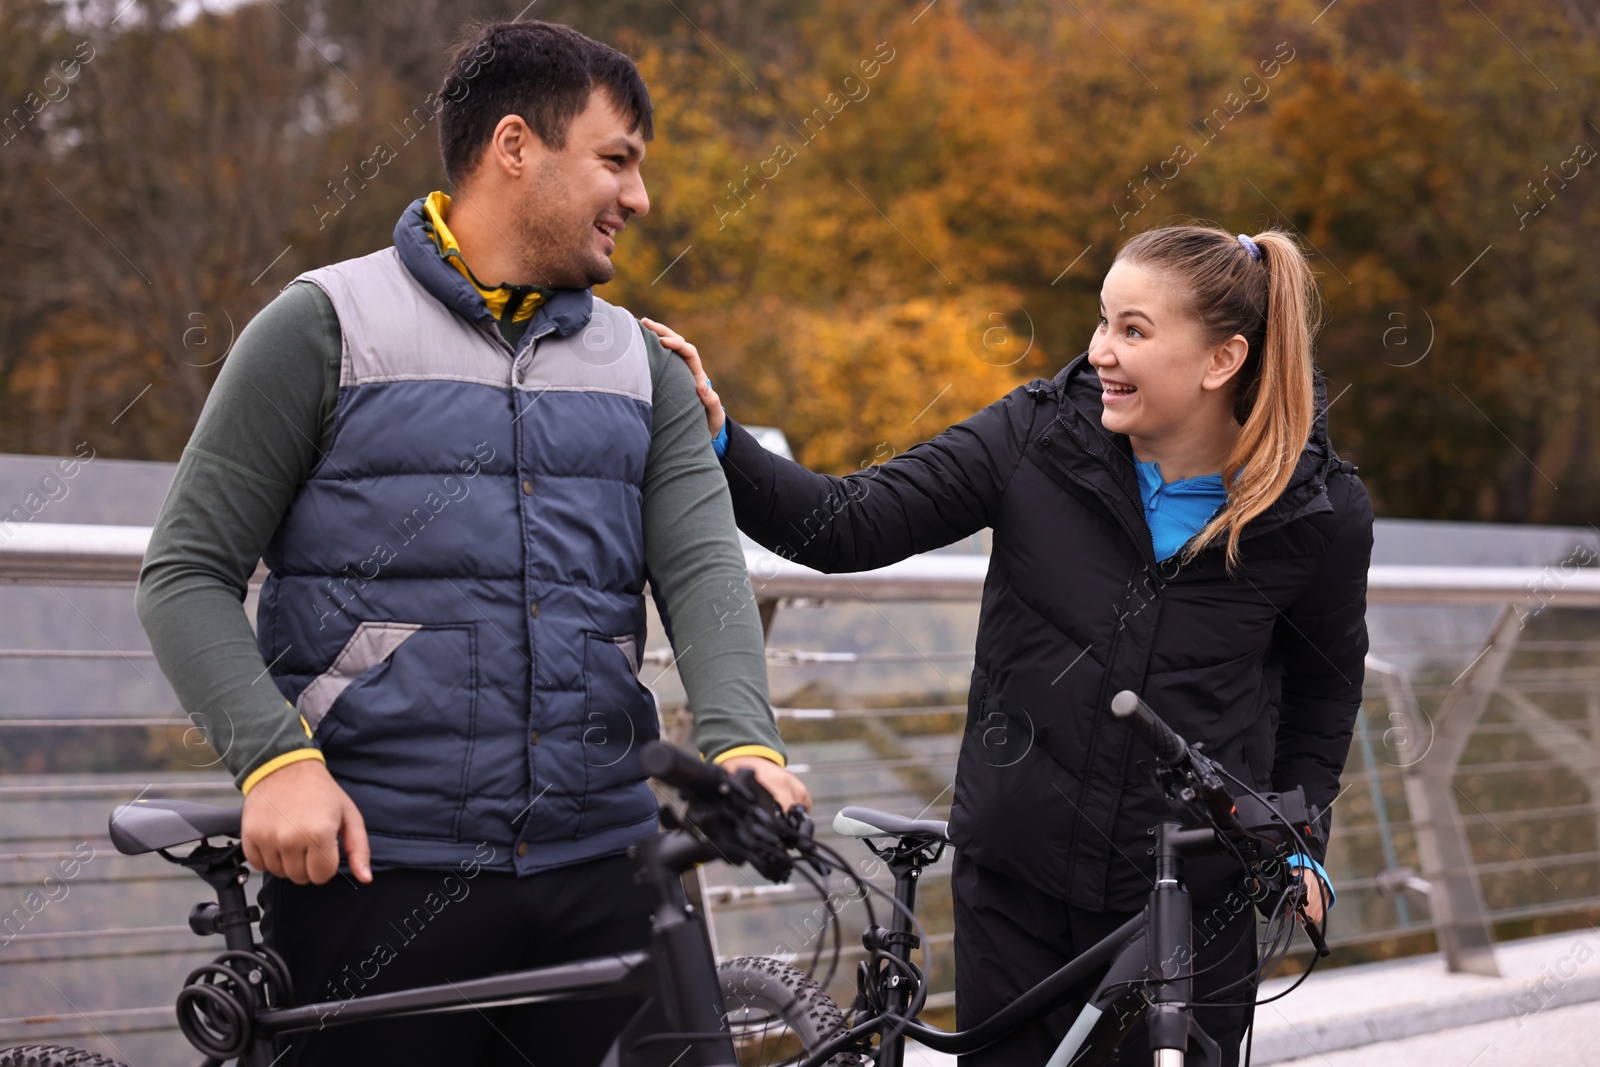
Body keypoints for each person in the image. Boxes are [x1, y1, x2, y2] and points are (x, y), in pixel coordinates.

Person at [135, 20, 808, 1067]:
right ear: (513, 147)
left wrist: (746, 745)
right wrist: (274, 760)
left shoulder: (647, 366)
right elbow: (184, 572)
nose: (639, 199)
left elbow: (703, 568)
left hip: (612, 862)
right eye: (617, 161)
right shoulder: (321, 325)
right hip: (377, 866)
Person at [647, 224, 1372, 1065]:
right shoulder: (1036, 434)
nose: (1100, 349)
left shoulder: (1317, 510)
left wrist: (1297, 842)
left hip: (1192, 901)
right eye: (1102, 322)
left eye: (1133, 330)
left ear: (1221, 361)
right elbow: (846, 524)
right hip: (1018, 894)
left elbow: (1325, 695)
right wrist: (721, 438)